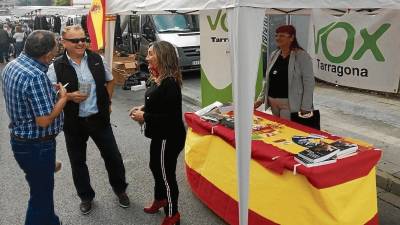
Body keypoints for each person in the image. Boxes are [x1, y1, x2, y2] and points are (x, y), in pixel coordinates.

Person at [47, 25, 129, 215]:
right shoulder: (56, 66)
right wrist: (67, 96)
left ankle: (120, 190)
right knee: (78, 162)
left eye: (83, 39)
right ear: (64, 42)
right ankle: (86, 197)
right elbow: (49, 95)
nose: (81, 43)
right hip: (74, 123)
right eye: (75, 40)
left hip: (98, 118)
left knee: (113, 157)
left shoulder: (96, 59)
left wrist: (107, 101)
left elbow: (110, 80)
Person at [1, 30, 67, 225]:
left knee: (40, 192)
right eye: (55, 51)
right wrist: (63, 98)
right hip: (37, 145)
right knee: (41, 198)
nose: (56, 54)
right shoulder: (36, 76)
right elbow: (44, 120)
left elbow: (26, 99)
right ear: (47, 55)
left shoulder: (13, 65)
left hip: (21, 140)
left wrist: (48, 91)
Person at [130, 41, 186, 225]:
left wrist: (144, 116)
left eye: (151, 54)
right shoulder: (160, 77)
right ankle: (160, 198)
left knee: (166, 173)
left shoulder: (169, 82)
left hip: (168, 137)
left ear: (162, 56)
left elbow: (169, 117)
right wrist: (144, 107)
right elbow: (159, 102)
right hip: (160, 135)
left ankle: (172, 213)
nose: (147, 57)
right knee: (156, 167)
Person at [254, 25, 315, 120]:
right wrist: (260, 99)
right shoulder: (274, 54)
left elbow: (309, 82)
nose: (278, 38)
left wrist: (306, 106)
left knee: (288, 131)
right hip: (273, 105)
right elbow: (268, 80)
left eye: (282, 35)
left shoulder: (302, 56)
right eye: (276, 35)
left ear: (292, 38)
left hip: (290, 105)